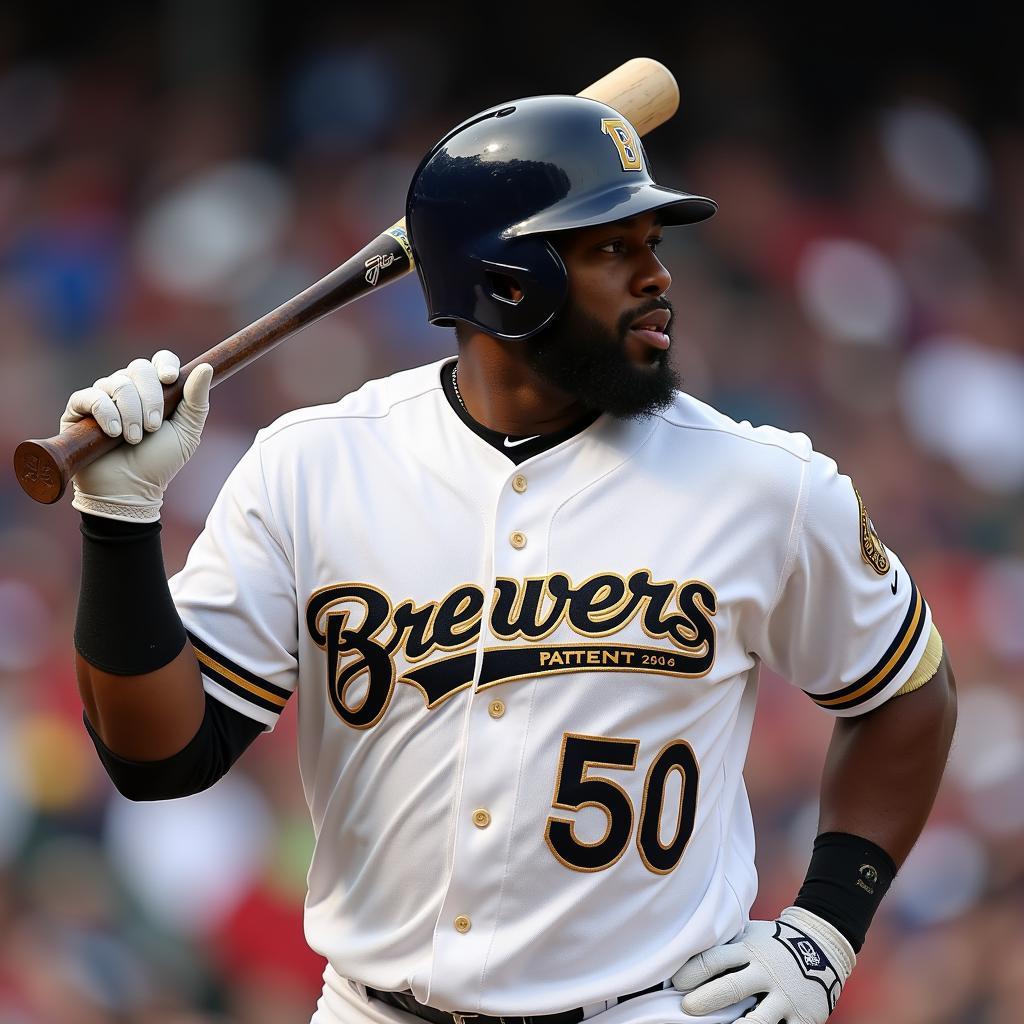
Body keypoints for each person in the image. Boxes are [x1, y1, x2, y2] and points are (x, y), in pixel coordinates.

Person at [64, 95, 957, 1024]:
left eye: (654, 244)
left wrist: (827, 928)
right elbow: (159, 758)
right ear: (510, 280)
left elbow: (907, 692)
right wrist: (119, 521)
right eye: (615, 248)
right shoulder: (314, 463)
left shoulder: (764, 484)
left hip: (648, 1009)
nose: (658, 278)